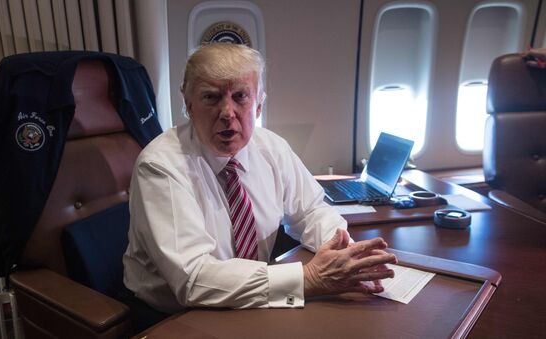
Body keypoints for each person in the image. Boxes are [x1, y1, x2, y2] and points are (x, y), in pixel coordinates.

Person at [121, 42, 397, 331]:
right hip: (173, 314)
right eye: (211, 98)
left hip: (251, 297)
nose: (227, 112)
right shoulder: (160, 166)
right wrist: (309, 279)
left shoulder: (272, 148)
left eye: (240, 96)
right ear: (188, 106)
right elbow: (193, 279)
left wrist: (345, 253)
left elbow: (312, 210)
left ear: (259, 104)